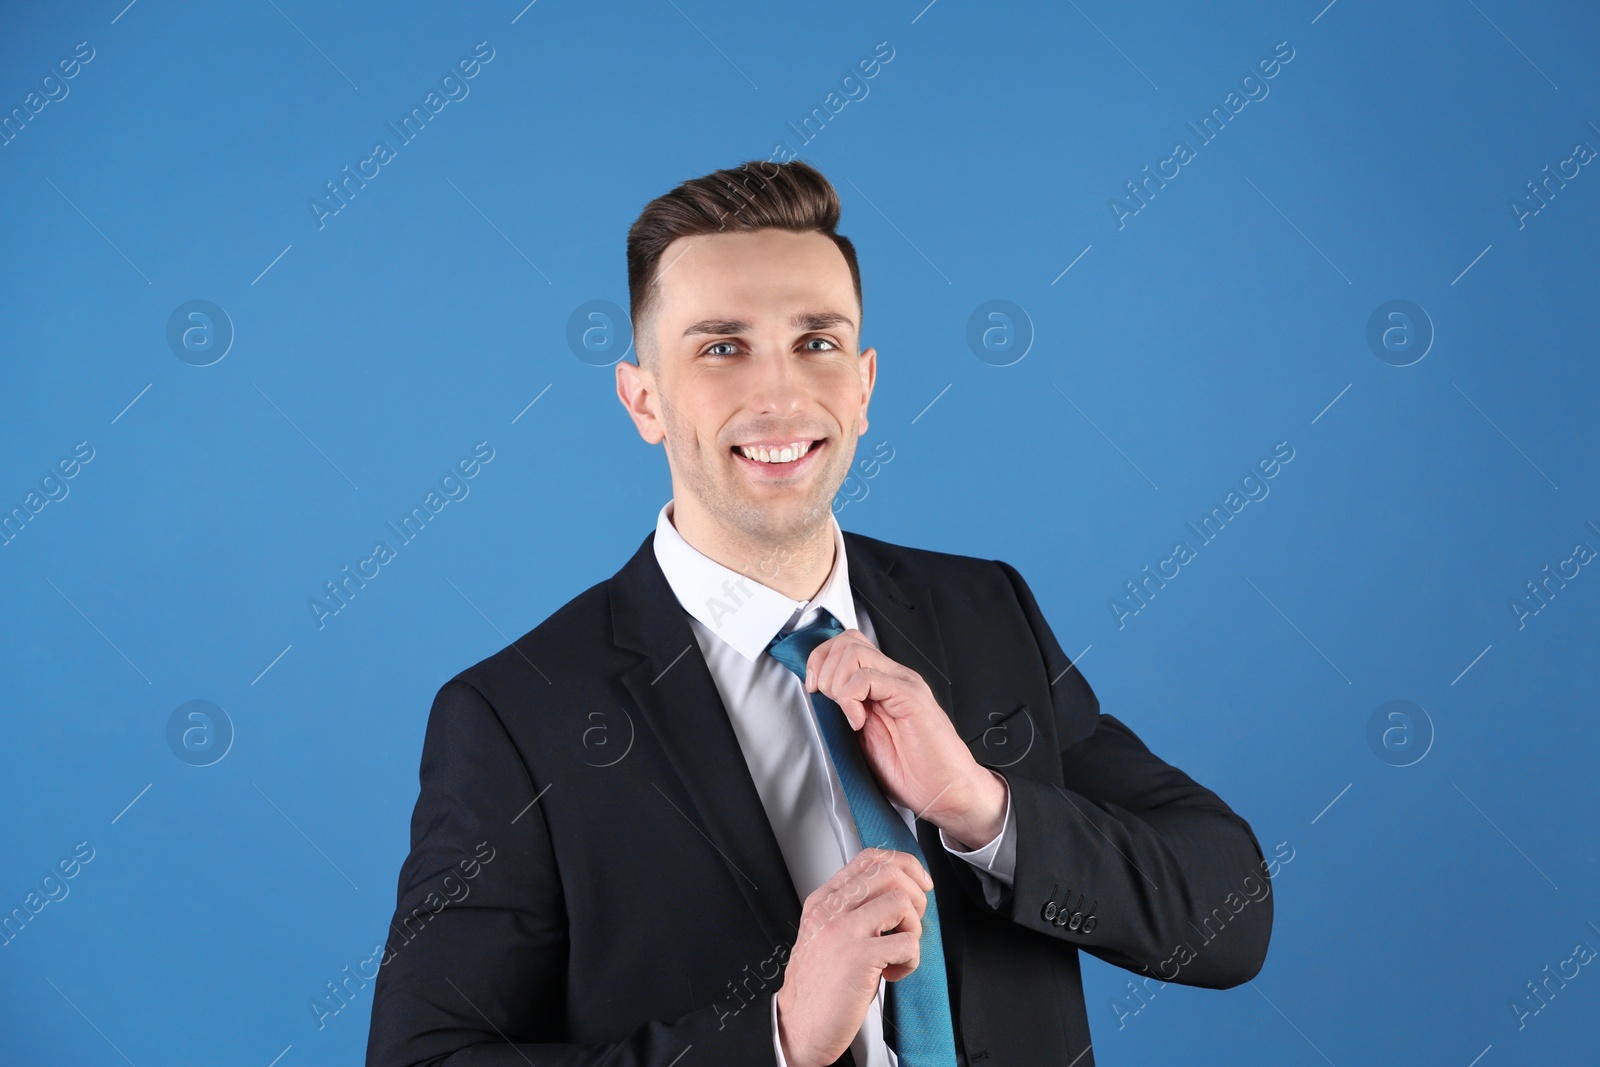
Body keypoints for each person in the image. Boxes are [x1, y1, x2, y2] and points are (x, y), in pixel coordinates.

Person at [365, 159, 1273, 1067]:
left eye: (817, 342)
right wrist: (780, 1039)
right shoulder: (518, 716)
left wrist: (983, 810)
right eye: (720, 347)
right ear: (643, 397)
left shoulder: (987, 610)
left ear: (866, 383)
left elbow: (1232, 914)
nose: (781, 396)